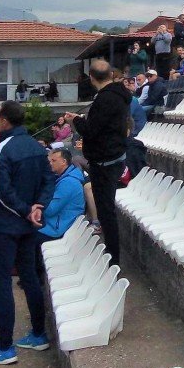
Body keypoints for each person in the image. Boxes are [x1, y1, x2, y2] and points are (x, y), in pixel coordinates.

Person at [0, 101, 55, 364]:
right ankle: (38, 334)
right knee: (30, 276)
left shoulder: (3, 148)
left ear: (4, 120)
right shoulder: (36, 146)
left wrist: (26, 210)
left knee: (1, 283)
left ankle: (5, 347)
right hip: (29, 225)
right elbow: (48, 180)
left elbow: (1, 191)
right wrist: (39, 207)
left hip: (5, 226)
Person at [67, 60, 131, 267]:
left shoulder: (105, 99)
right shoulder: (120, 95)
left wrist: (75, 121)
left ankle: (113, 260)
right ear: (111, 75)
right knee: (105, 210)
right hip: (113, 157)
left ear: (92, 78)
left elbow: (91, 131)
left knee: (105, 211)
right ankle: (112, 255)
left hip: (104, 162)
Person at [37, 149, 86, 245]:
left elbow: (50, 210)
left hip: (56, 229)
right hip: (59, 224)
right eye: (49, 161)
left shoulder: (68, 183)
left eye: (53, 161)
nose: (50, 164)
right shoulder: (66, 177)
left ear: (64, 162)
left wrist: (36, 199)